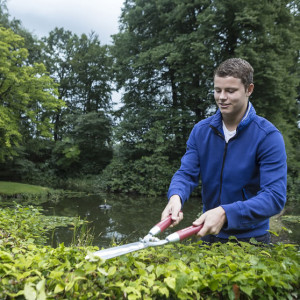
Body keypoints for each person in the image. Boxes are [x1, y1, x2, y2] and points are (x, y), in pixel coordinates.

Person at [161, 58, 287, 244]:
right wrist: (175, 197)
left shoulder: (268, 136)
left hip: (252, 239)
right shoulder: (201, 131)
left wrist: (226, 212)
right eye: (217, 90)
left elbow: (274, 197)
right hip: (208, 234)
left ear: (249, 90)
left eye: (230, 91)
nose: (221, 97)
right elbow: (186, 174)